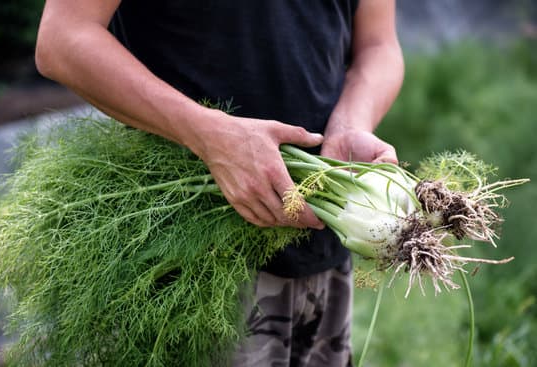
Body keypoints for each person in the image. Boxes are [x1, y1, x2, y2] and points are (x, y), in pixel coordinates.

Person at [35, 0, 404, 365]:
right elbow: (64, 38)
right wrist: (209, 134)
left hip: (326, 241)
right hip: (189, 257)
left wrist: (352, 123)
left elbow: (378, 45)